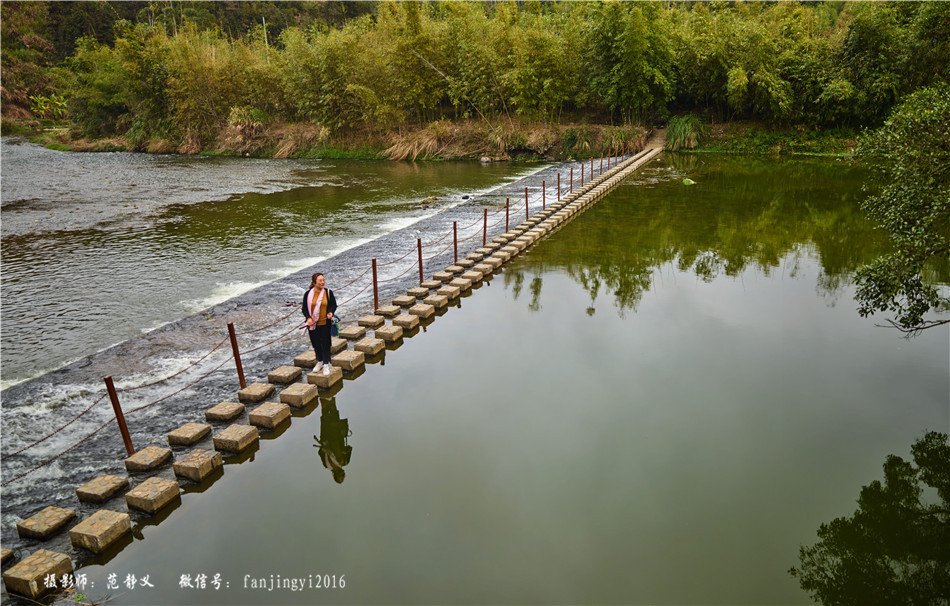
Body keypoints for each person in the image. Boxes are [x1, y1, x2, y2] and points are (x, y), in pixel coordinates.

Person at [302, 272, 337, 376]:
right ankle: (320, 361)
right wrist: (308, 318)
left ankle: (326, 364)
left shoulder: (328, 292)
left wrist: (331, 312)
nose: (323, 282)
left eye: (323, 280)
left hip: (325, 323)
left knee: (326, 343)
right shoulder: (308, 294)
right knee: (316, 343)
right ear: (314, 283)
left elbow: (333, 305)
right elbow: (304, 308)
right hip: (313, 324)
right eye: (320, 281)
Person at [313, 399, 352, 484]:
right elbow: (349, 448)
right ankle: (328, 397)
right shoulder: (341, 462)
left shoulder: (340, 462)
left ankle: (327, 397)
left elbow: (320, 452)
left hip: (330, 435)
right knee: (328, 413)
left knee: (328, 413)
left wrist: (325, 448)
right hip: (331, 435)